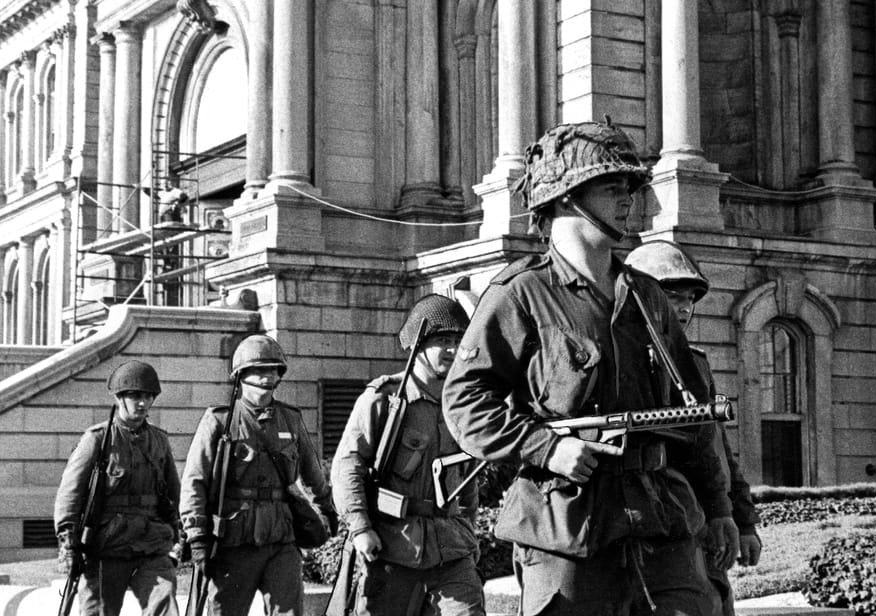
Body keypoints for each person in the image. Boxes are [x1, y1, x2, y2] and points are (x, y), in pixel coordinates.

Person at [442, 119, 738, 616]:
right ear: (565, 198)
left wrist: (721, 508)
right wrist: (547, 448)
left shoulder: (646, 296)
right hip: (568, 527)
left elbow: (693, 414)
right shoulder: (520, 296)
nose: (628, 198)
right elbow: (466, 400)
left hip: (662, 522)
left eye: (630, 186)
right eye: (611, 186)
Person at [625, 239, 763, 616]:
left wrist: (743, 520)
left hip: (704, 522)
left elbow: (718, 451)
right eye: (672, 296)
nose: (684, 308)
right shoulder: (623, 366)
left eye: (689, 298)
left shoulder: (696, 365)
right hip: (655, 528)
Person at [331, 294, 484, 616]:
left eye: (459, 340)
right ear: (418, 344)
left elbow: (467, 474)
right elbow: (348, 465)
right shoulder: (384, 401)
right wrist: (360, 527)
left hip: (452, 550)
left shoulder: (461, 405)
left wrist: (468, 528)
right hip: (392, 547)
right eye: (443, 340)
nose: (454, 349)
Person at [180, 334, 337, 616]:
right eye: (259, 370)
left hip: (281, 536)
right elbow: (195, 481)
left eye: (273, 370)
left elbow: (312, 474)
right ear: (241, 376)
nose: (267, 377)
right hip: (234, 540)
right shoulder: (219, 420)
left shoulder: (290, 418)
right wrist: (197, 536)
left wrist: (328, 510)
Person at [54, 360, 181, 616]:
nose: (142, 403)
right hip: (106, 546)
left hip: (151, 543)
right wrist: (68, 544)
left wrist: (180, 531)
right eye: (135, 396)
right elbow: (70, 495)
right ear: (119, 398)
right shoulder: (97, 440)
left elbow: (173, 493)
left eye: (148, 396)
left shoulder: (158, 440)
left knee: (165, 607)